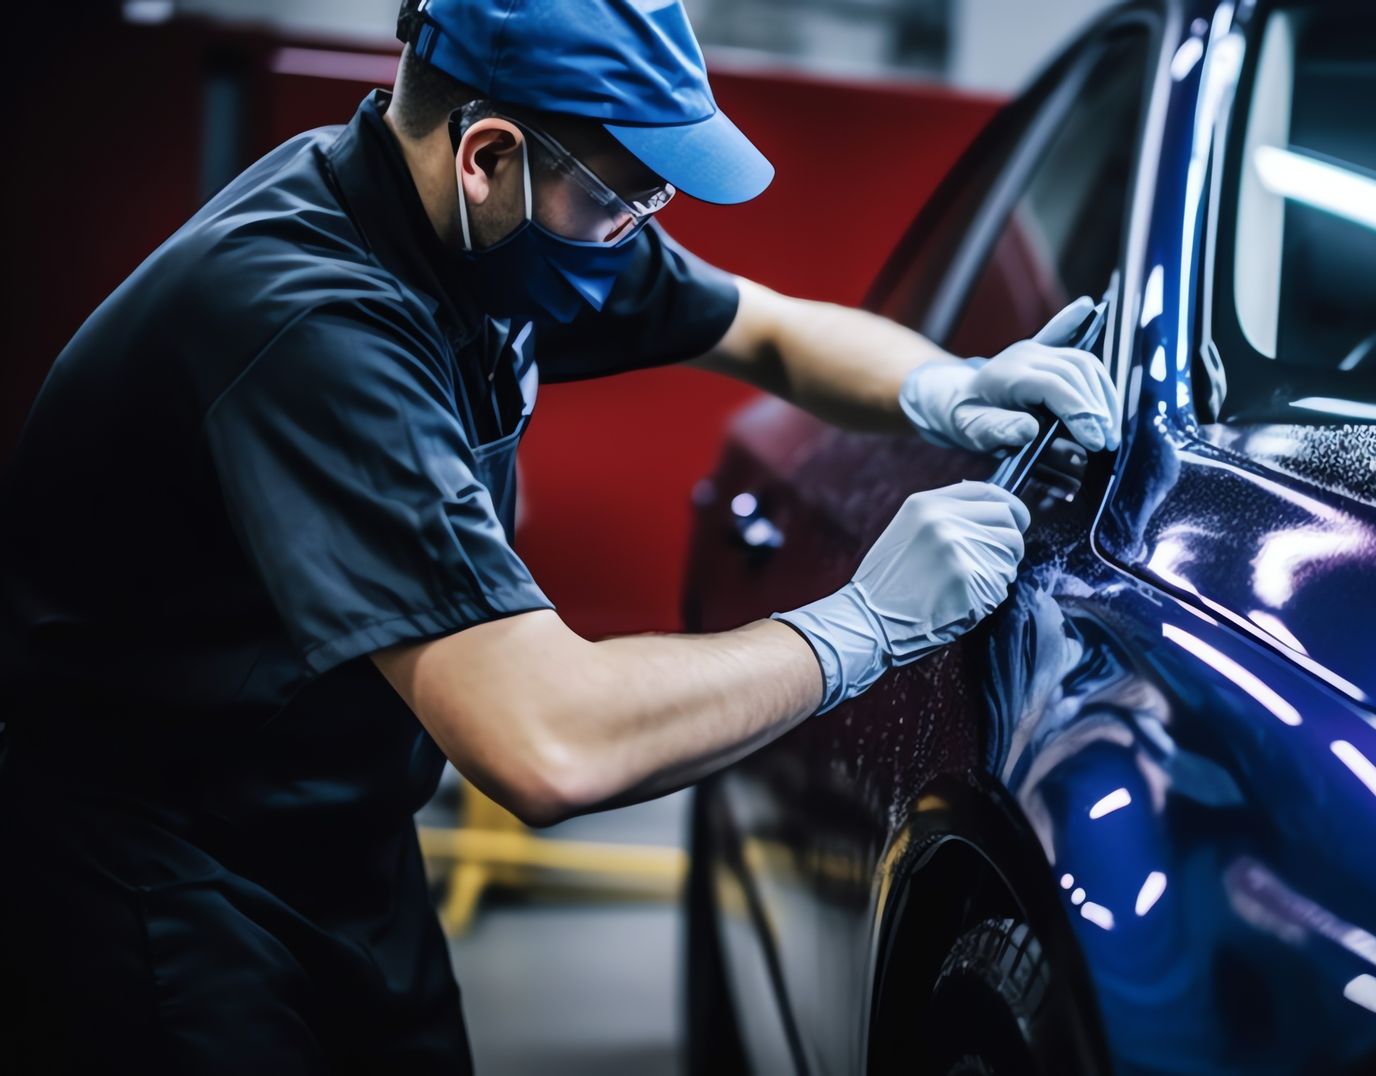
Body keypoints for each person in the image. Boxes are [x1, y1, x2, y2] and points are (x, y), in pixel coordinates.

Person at [0, 0, 1122, 1069]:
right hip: (157, 873)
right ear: (487, 154)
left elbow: (770, 331)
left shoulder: (498, 225)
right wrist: (857, 629)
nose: (639, 234)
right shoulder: (311, 328)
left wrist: (953, 384)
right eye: (627, 199)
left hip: (343, 842)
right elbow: (546, 740)